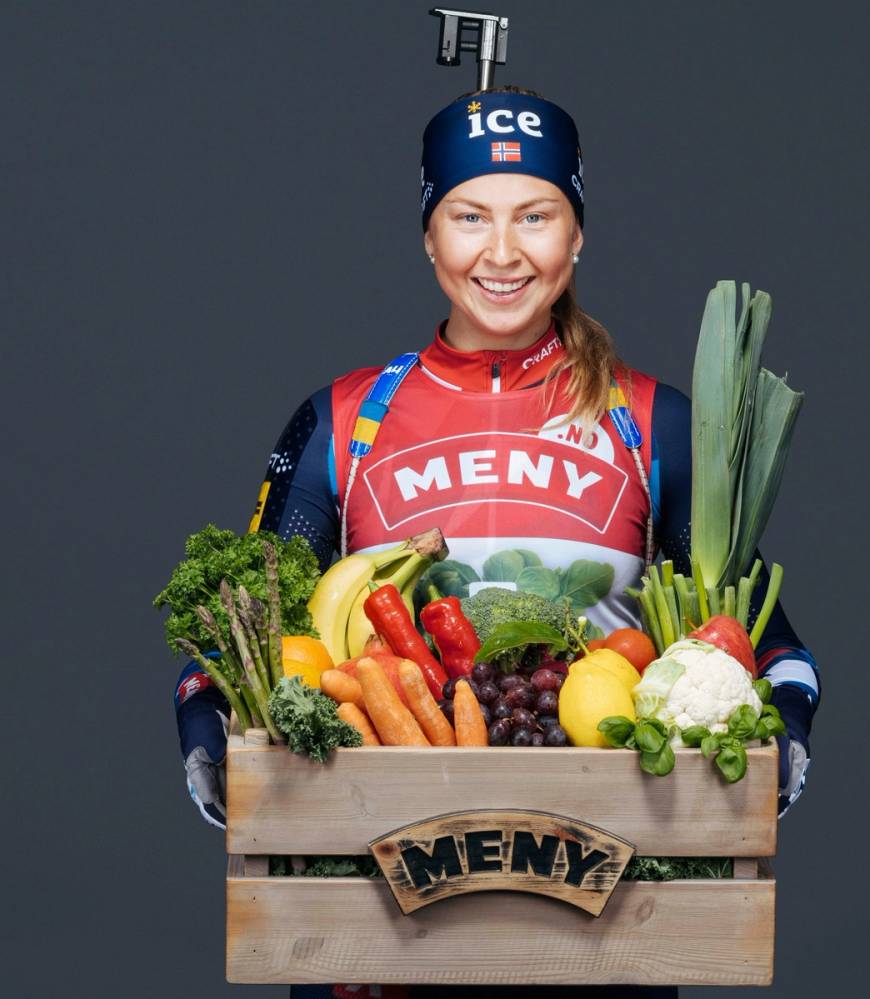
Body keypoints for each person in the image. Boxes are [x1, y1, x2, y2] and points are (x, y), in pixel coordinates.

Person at [174, 86, 820, 999]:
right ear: (429, 235)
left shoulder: (654, 425)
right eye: (469, 216)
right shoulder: (346, 421)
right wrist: (206, 733)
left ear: (578, 233)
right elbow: (236, 634)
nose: (504, 252)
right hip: (373, 924)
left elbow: (771, 647)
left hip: (601, 917)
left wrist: (785, 734)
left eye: (538, 215)